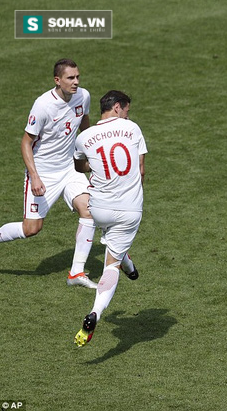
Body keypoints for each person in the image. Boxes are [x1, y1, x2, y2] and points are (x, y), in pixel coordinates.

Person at [0, 58, 97, 288]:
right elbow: (26, 142)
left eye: (77, 77)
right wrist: (34, 176)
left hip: (70, 169)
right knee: (31, 229)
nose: (76, 82)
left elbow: (84, 124)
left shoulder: (83, 96)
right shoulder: (43, 105)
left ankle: (76, 273)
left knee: (89, 210)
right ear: (57, 80)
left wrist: (93, 152)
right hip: (44, 174)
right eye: (70, 78)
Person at [73, 90, 146, 347]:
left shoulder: (84, 137)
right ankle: (96, 312)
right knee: (110, 265)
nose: (128, 115)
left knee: (115, 243)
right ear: (117, 107)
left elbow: (79, 166)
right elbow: (141, 170)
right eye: (126, 109)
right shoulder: (132, 129)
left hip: (99, 208)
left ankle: (129, 266)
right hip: (129, 209)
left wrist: (91, 165)